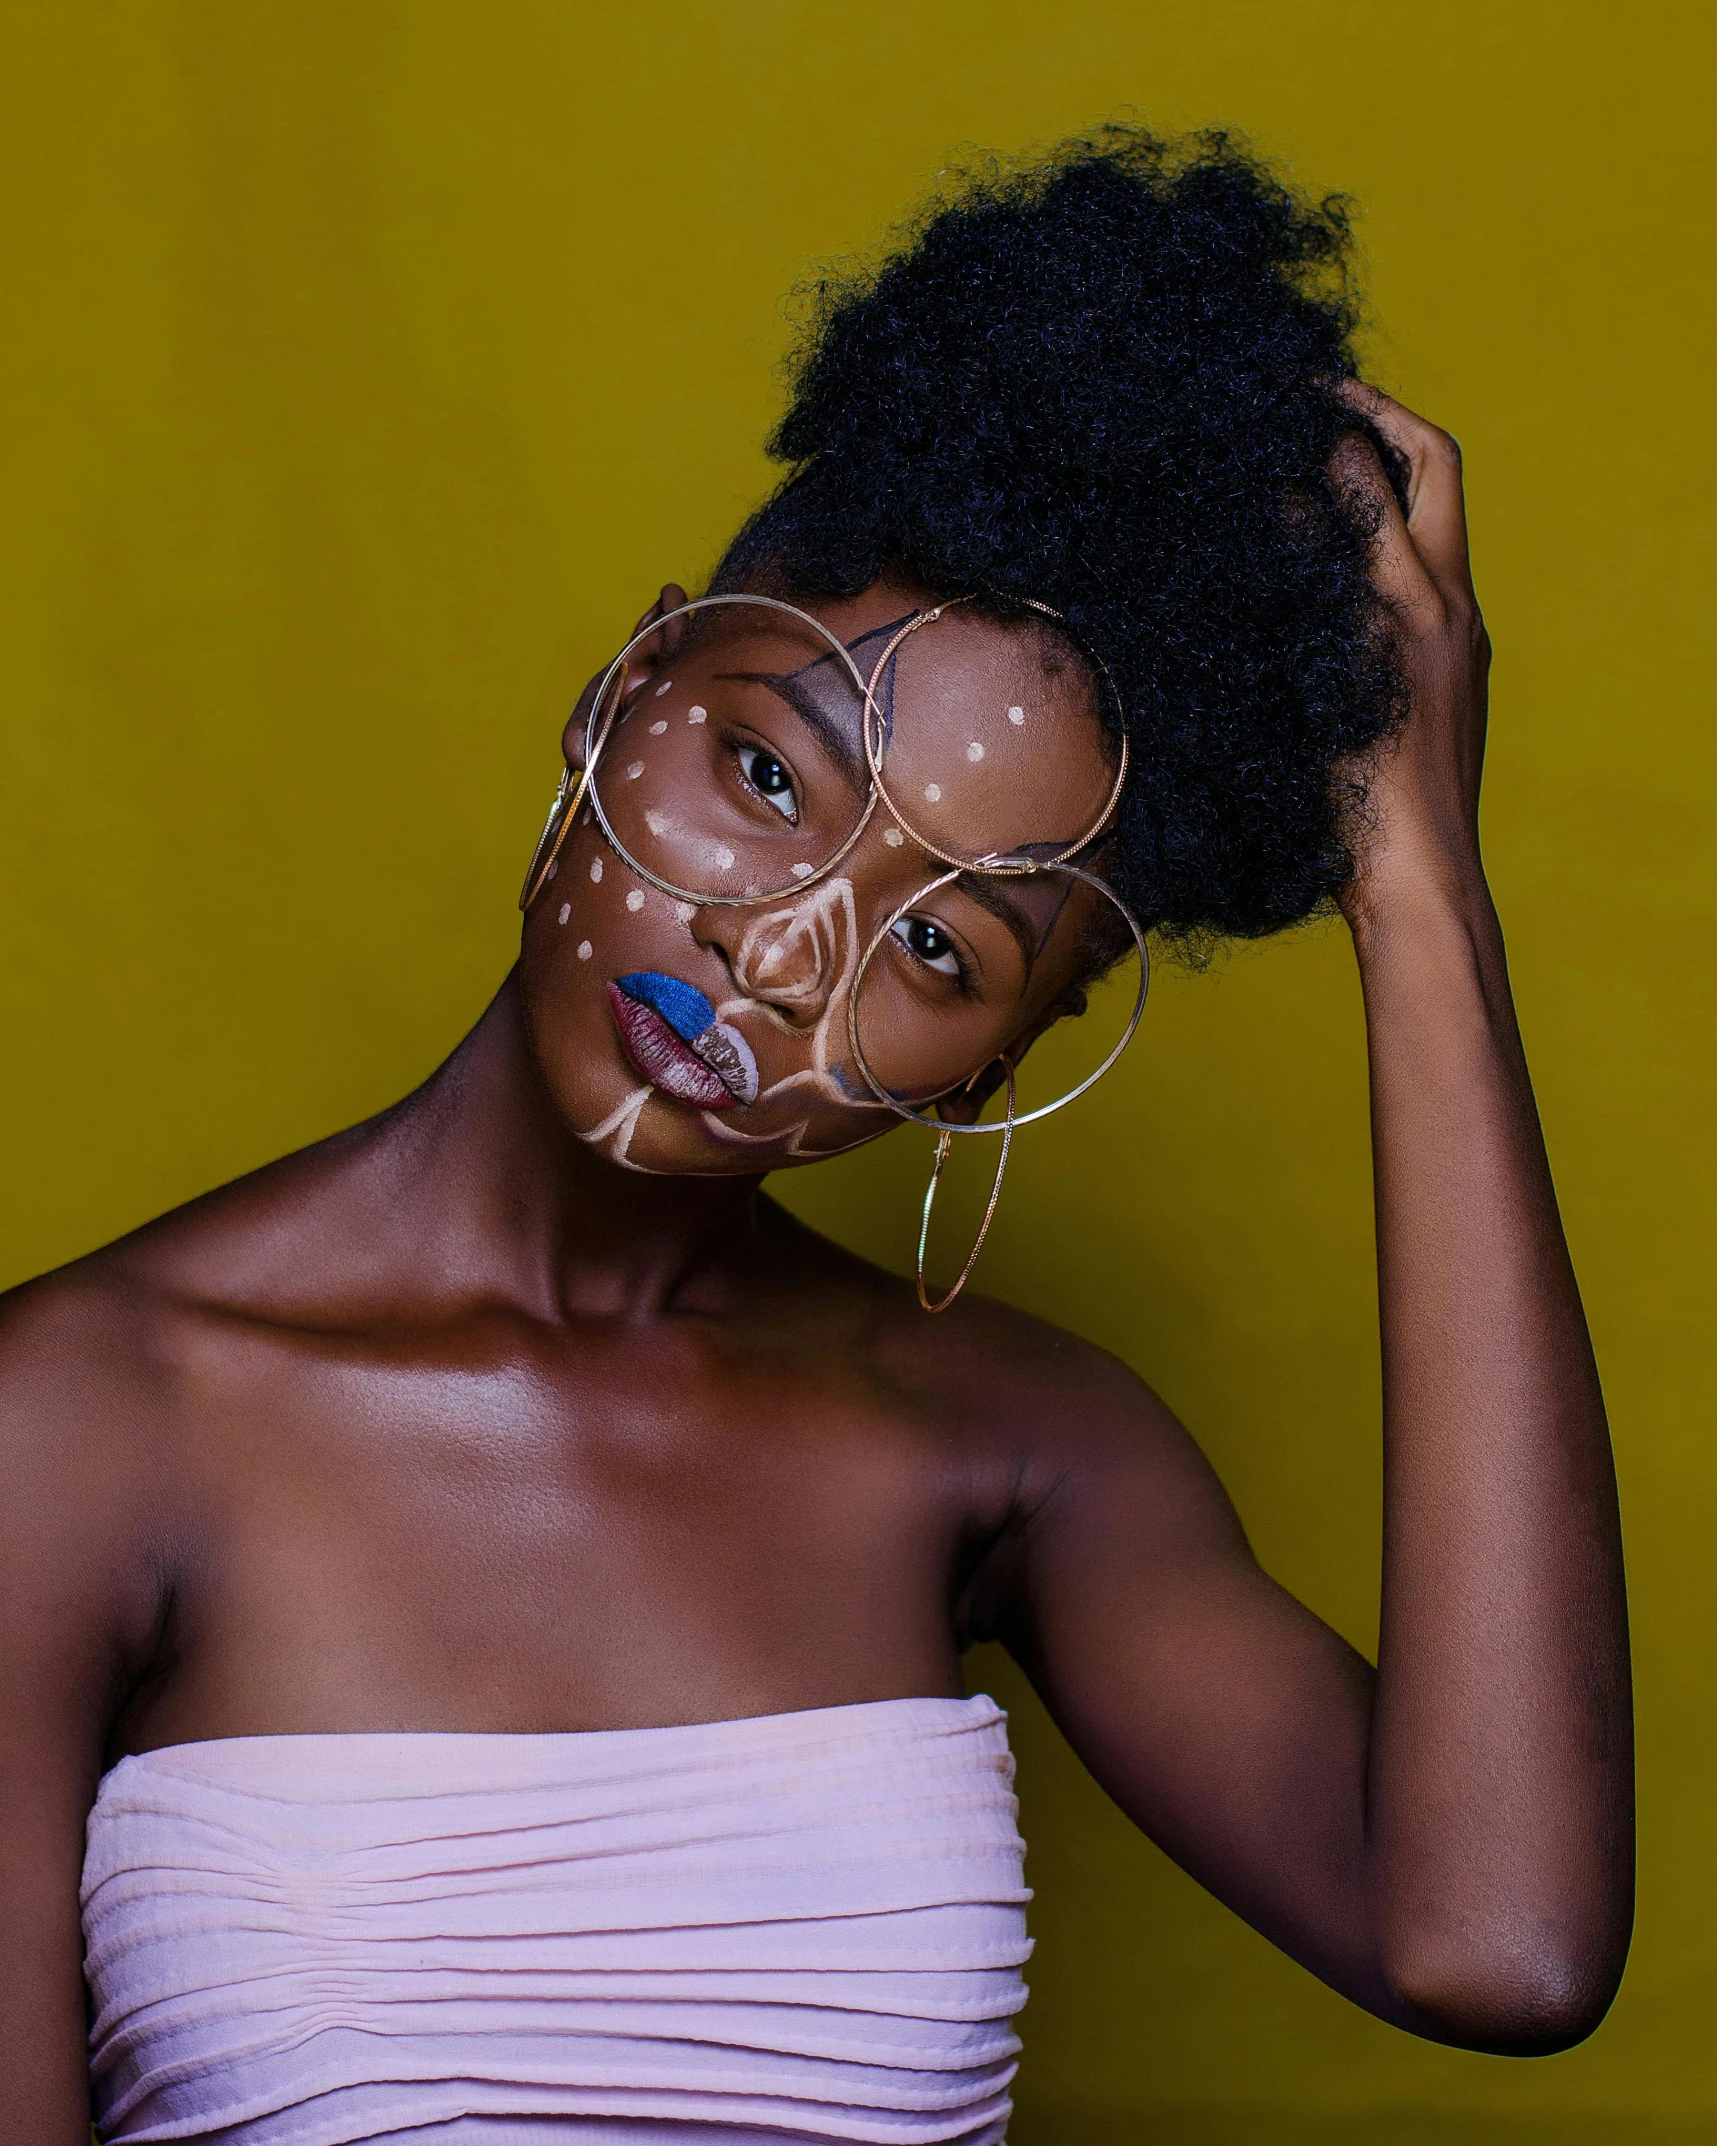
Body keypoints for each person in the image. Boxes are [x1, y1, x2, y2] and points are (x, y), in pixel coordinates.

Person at [0, 128, 1631, 2146]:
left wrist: (1416, 887)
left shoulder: (1012, 1444)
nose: (781, 949)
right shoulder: (74, 1418)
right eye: (770, 770)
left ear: (994, 1062)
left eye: (940, 944)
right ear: (625, 687)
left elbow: (1501, 1942)